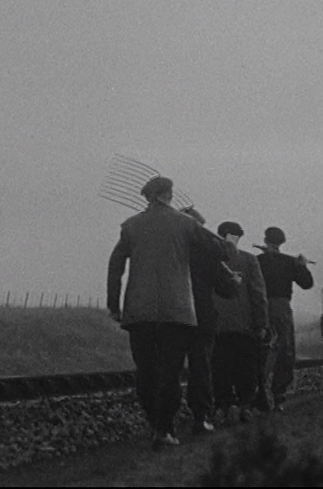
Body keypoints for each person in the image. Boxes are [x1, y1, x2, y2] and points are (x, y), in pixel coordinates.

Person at [108, 177, 230, 448]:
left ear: (148, 197)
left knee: (146, 370)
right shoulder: (186, 224)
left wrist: (113, 304)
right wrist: (226, 244)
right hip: (176, 311)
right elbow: (222, 249)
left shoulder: (131, 226)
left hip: (139, 311)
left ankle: (155, 423)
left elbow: (115, 265)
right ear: (168, 195)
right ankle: (164, 429)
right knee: (170, 372)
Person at [180, 206, 239, 435]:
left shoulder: (171, 249)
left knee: (169, 365)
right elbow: (226, 288)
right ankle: (200, 416)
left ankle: (162, 421)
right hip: (200, 313)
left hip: (170, 313)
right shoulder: (208, 251)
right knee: (201, 365)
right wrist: (234, 281)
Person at [210, 221, 268, 424]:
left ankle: (222, 407)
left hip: (217, 326)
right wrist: (261, 323)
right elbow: (258, 293)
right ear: (237, 237)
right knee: (246, 367)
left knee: (220, 368)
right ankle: (245, 406)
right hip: (245, 326)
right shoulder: (249, 260)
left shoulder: (210, 260)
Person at [256, 226, 314, 412]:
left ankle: (257, 393)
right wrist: (302, 265)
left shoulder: (257, 261)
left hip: (259, 307)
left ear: (265, 241)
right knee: (284, 352)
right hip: (281, 308)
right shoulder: (290, 263)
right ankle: (278, 396)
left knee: (261, 351)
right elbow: (307, 284)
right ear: (282, 242)